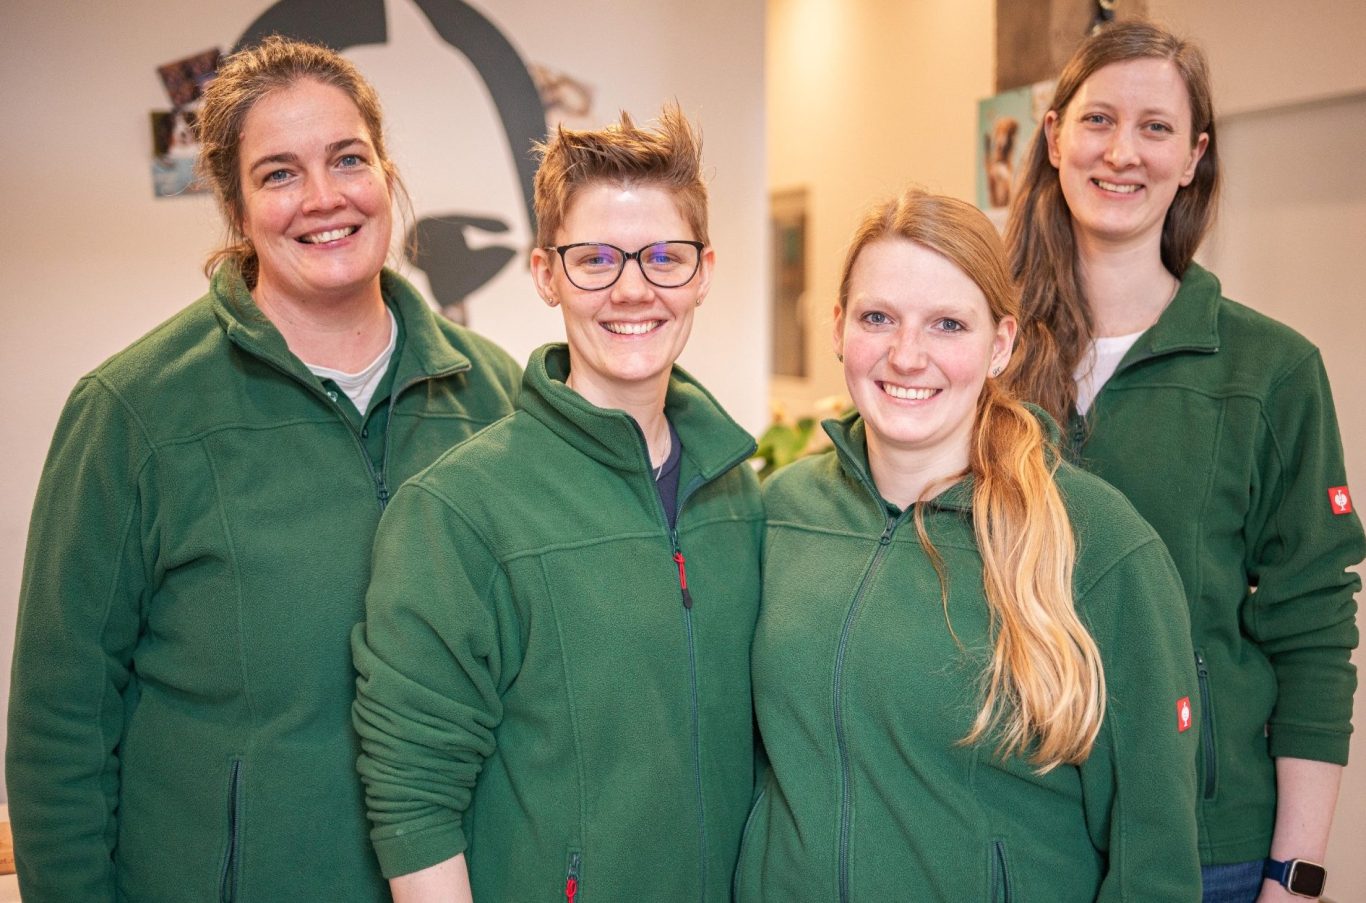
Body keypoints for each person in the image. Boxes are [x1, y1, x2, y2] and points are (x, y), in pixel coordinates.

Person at [6, 37, 520, 903]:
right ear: (236, 207)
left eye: (348, 158)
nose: (323, 197)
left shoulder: (494, 396)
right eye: (279, 173)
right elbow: (61, 728)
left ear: (386, 173)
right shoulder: (131, 414)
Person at [733, 188, 1201, 901]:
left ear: (1000, 344)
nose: (906, 355)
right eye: (877, 318)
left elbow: (1155, 858)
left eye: (948, 324)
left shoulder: (1100, 545)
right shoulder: (781, 512)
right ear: (838, 328)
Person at [351, 106, 763, 902]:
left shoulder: (740, 495)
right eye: (596, 259)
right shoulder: (458, 509)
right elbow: (413, 800)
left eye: (665, 257)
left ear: (704, 272)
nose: (633, 288)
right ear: (546, 273)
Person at [1005, 20, 1363, 902]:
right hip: (1012, 828)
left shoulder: (1271, 370)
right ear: (1053, 137)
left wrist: (1294, 876)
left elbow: (1314, 631)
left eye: (1156, 127)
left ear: (1194, 157)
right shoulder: (985, 354)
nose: (1122, 151)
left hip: (1210, 849)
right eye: (1098, 120)